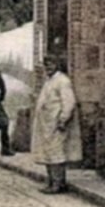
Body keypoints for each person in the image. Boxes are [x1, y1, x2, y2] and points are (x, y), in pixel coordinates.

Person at [31, 56, 82, 194]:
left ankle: (58, 183)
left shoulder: (63, 81)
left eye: (51, 64)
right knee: (49, 153)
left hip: (56, 123)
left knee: (56, 153)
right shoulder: (49, 81)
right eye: (46, 65)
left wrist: (63, 119)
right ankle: (52, 181)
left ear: (58, 65)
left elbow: (69, 103)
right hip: (47, 124)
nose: (48, 67)